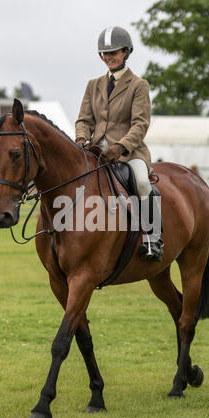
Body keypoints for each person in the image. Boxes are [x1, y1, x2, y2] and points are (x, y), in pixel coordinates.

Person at [75, 26, 163, 261]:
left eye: (113, 52)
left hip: (129, 152)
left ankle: (153, 238)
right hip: (96, 151)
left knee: (143, 183)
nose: (108, 57)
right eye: (104, 53)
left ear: (126, 52)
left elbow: (140, 124)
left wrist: (120, 147)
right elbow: (84, 119)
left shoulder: (138, 85)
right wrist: (81, 139)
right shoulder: (93, 85)